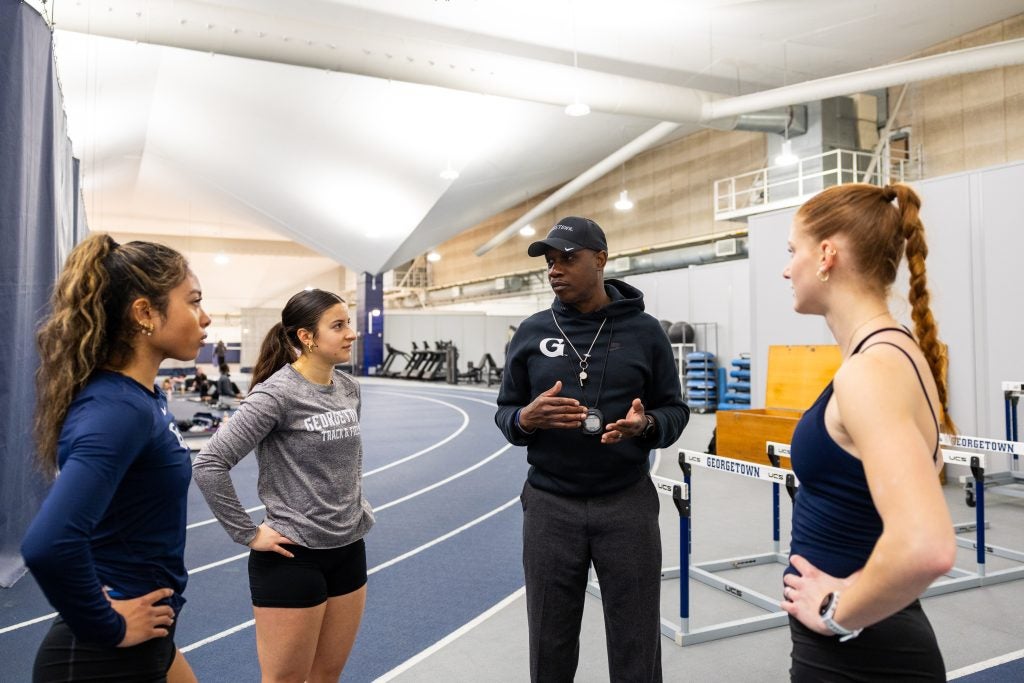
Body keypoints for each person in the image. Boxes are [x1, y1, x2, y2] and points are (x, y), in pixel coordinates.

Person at [495, 216, 689, 682]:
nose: (554, 270)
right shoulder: (530, 331)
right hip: (549, 507)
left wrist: (646, 426)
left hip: (626, 505)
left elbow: (675, 411)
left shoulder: (645, 332)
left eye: (567, 259)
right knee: (550, 638)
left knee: (636, 638)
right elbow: (506, 413)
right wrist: (526, 418)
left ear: (600, 259)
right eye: (549, 262)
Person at [780, 183, 957, 680]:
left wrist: (837, 611)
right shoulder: (892, 353)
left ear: (827, 254)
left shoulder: (870, 372)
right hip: (868, 638)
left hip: (861, 656)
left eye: (793, 251)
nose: (786, 268)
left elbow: (927, 546)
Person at [21, 234, 209, 683]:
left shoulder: (145, 399)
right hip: (100, 659)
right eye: (194, 302)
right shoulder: (117, 410)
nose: (204, 318)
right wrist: (110, 625)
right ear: (145, 312)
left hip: (152, 640)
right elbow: (47, 544)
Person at [192, 289, 372, 682]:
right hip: (294, 557)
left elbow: (346, 460)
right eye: (338, 325)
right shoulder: (275, 395)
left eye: (349, 323)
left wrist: (355, 503)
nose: (351, 333)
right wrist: (247, 532)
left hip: (348, 549)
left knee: (326, 677)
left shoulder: (348, 388)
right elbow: (209, 464)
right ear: (306, 337)